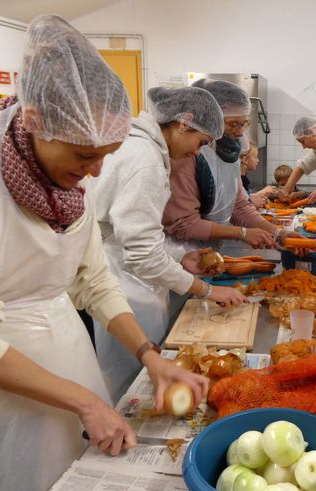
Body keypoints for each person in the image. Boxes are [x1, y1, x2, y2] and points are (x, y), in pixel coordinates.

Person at [0, 16, 208, 491]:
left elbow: (94, 281)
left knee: (57, 488)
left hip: (60, 356)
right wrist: (84, 401)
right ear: (32, 120)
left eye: (105, 157)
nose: (95, 172)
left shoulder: (68, 184)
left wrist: (150, 356)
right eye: (84, 155)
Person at [91, 86, 246, 403]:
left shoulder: (143, 149)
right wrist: (206, 290)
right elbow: (141, 252)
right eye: (200, 142)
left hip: (126, 272)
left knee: (147, 371)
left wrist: (180, 256)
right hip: (123, 281)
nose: (197, 153)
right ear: (184, 123)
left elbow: (140, 232)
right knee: (132, 383)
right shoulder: (145, 160)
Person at [163, 79, 292, 250]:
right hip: (179, 253)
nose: (239, 133)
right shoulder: (186, 154)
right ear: (209, 118)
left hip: (208, 251)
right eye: (233, 124)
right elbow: (184, 225)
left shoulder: (229, 153)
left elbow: (239, 206)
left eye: (244, 123)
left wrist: (279, 233)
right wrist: (242, 233)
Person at [240, 138, 276, 208]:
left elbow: (247, 195)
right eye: (256, 157)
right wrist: (261, 193)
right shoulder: (238, 181)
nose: (258, 160)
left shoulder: (244, 179)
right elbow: (243, 202)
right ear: (245, 160)